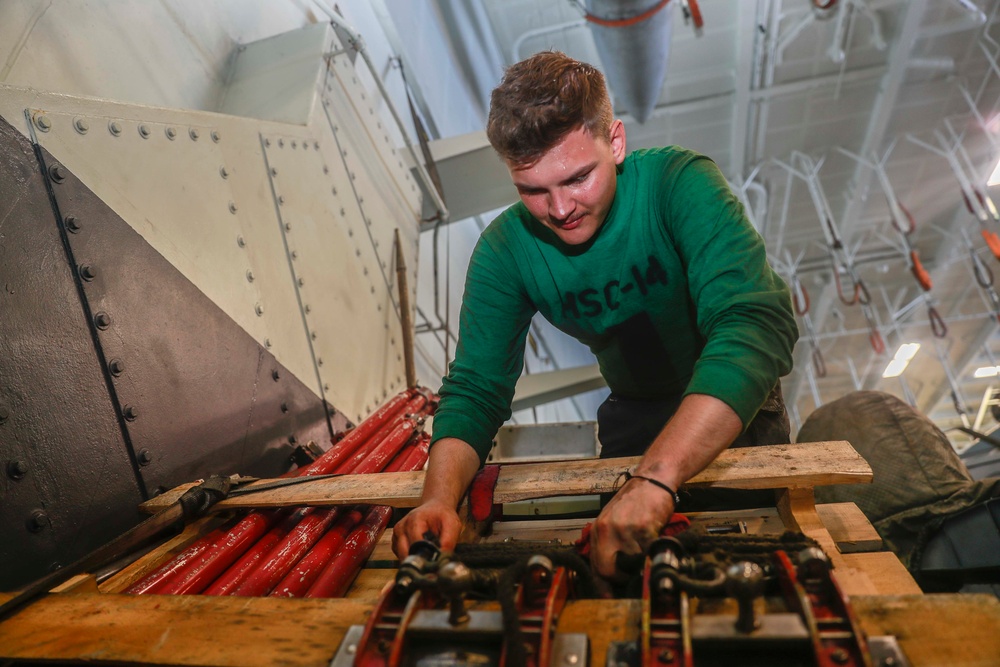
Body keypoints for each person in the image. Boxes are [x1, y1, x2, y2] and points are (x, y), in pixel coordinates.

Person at [392, 51, 798, 578]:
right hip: (633, 414)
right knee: (623, 572)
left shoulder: (679, 183)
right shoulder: (505, 252)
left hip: (734, 404)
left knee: (762, 564)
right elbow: (475, 388)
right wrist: (438, 500)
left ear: (616, 141)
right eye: (533, 190)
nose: (560, 209)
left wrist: (656, 479)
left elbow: (753, 325)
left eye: (578, 178)